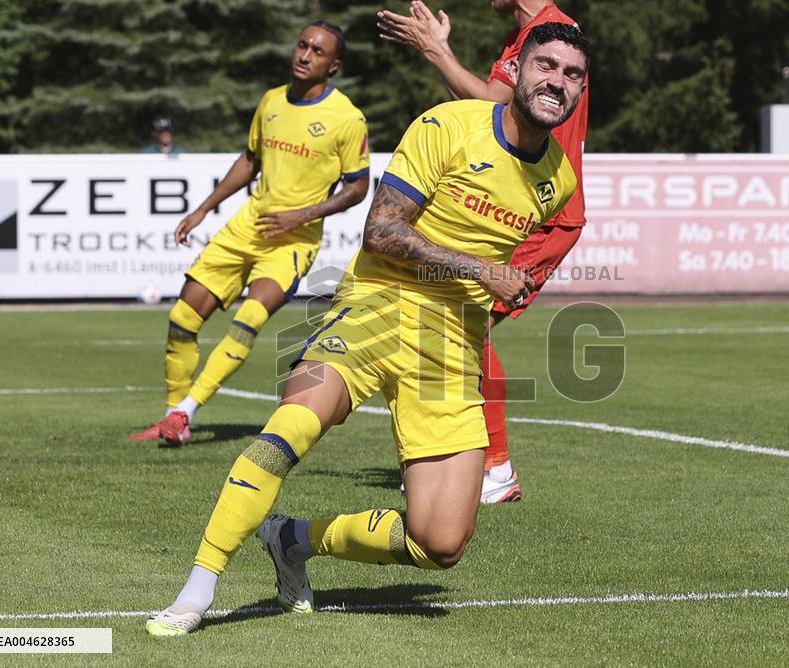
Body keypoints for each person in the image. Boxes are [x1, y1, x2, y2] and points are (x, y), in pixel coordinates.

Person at [144, 22, 589, 636]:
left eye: (572, 75)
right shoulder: (446, 125)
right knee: (288, 429)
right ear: (515, 72)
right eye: (546, 65)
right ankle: (196, 591)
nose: (557, 82)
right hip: (375, 308)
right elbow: (381, 231)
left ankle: (292, 539)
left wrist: (500, 284)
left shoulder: (558, 180)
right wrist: (480, 268)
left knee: (441, 542)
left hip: (452, 345)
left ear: (580, 90)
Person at [377, 0, 589, 502]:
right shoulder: (527, 34)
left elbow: (498, 100)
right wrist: (442, 55)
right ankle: (472, 460)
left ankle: (492, 465)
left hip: (539, 210)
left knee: (468, 326)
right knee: (459, 323)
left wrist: (436, 52)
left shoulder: (550, 34)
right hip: (525, 201)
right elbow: (487, 110)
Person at [129, 21, 370, 446]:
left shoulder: (347, 118)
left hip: (293, 241)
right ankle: (170, 416)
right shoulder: (272, 100)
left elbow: (358, 187)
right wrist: (203, 208)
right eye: (302, 45)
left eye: (317, 51)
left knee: (249, 320)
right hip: (246, 226)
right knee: (182, 318)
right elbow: (250, 159)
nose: (305, 55)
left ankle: (186, 412)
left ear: (334, 66)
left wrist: (302, 216)